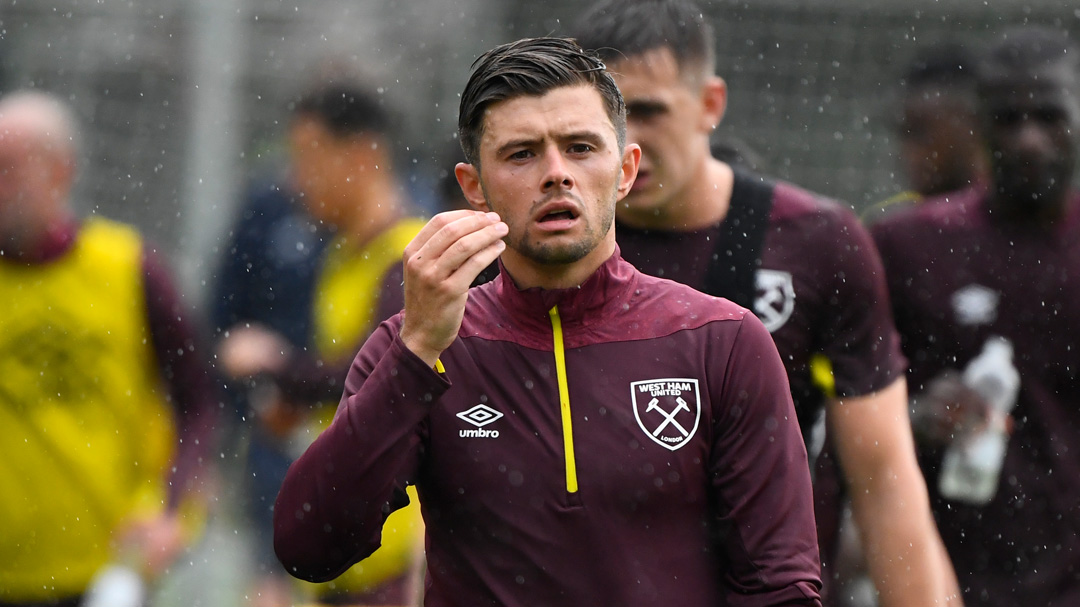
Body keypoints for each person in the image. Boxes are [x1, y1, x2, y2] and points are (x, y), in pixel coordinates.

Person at [274, 36, 823, 606]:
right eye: (521, 154)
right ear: (474, 189)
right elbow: (309, 547)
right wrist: (416, 352)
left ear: (626, 169)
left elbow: (779, 585)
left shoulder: (723, 342)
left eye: (581, 147)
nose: (557, 173)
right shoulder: (416, 346)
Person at [570, 2, 959, 606]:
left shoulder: (818, 243)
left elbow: (883, 483)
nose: (626, 144)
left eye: (646, 112)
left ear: (710, 105)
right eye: (603, 120)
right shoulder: (539, 246)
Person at [870, 26, 1080, 607]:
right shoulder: (907, 247)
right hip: (940, 578)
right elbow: (847, 413)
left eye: (1049, 117)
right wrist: (917, 415)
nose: (1030, 139)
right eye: (1009, 120)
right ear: (981, 128)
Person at [0, 90, 219, 605]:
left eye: (8, 168)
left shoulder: (128, 268)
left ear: (60, 172)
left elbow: (198, 403)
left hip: (108, 571)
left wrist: (170, 509)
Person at [216, 76, 428, 606]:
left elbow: (370, 372)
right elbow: (344, 396)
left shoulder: (413, 253)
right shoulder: (339, 255)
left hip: (395, 561)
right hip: (341, 552)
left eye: (308, 156)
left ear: (363, 154)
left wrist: (275, 362)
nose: (296, 179)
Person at [864, 40, 989, 222]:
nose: (907, 152)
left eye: (919, 132)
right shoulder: (890, 228)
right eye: (903, 133)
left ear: (972, 125)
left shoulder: (1023, 218)